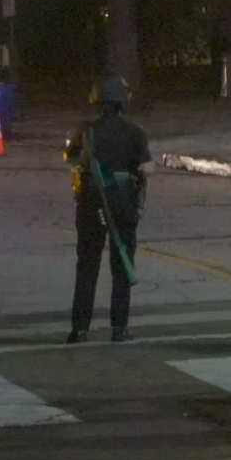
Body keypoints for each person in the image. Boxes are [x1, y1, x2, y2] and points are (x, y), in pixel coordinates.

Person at [65, 75, 153, 343]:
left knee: (87, 265)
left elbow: (70, 158)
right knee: (122, 266)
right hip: (123, 202)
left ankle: (80, 329)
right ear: (122, 101)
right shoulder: (134, 132)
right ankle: (119, 328)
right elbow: (146, 168)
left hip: (92, 203)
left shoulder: (86, 132)